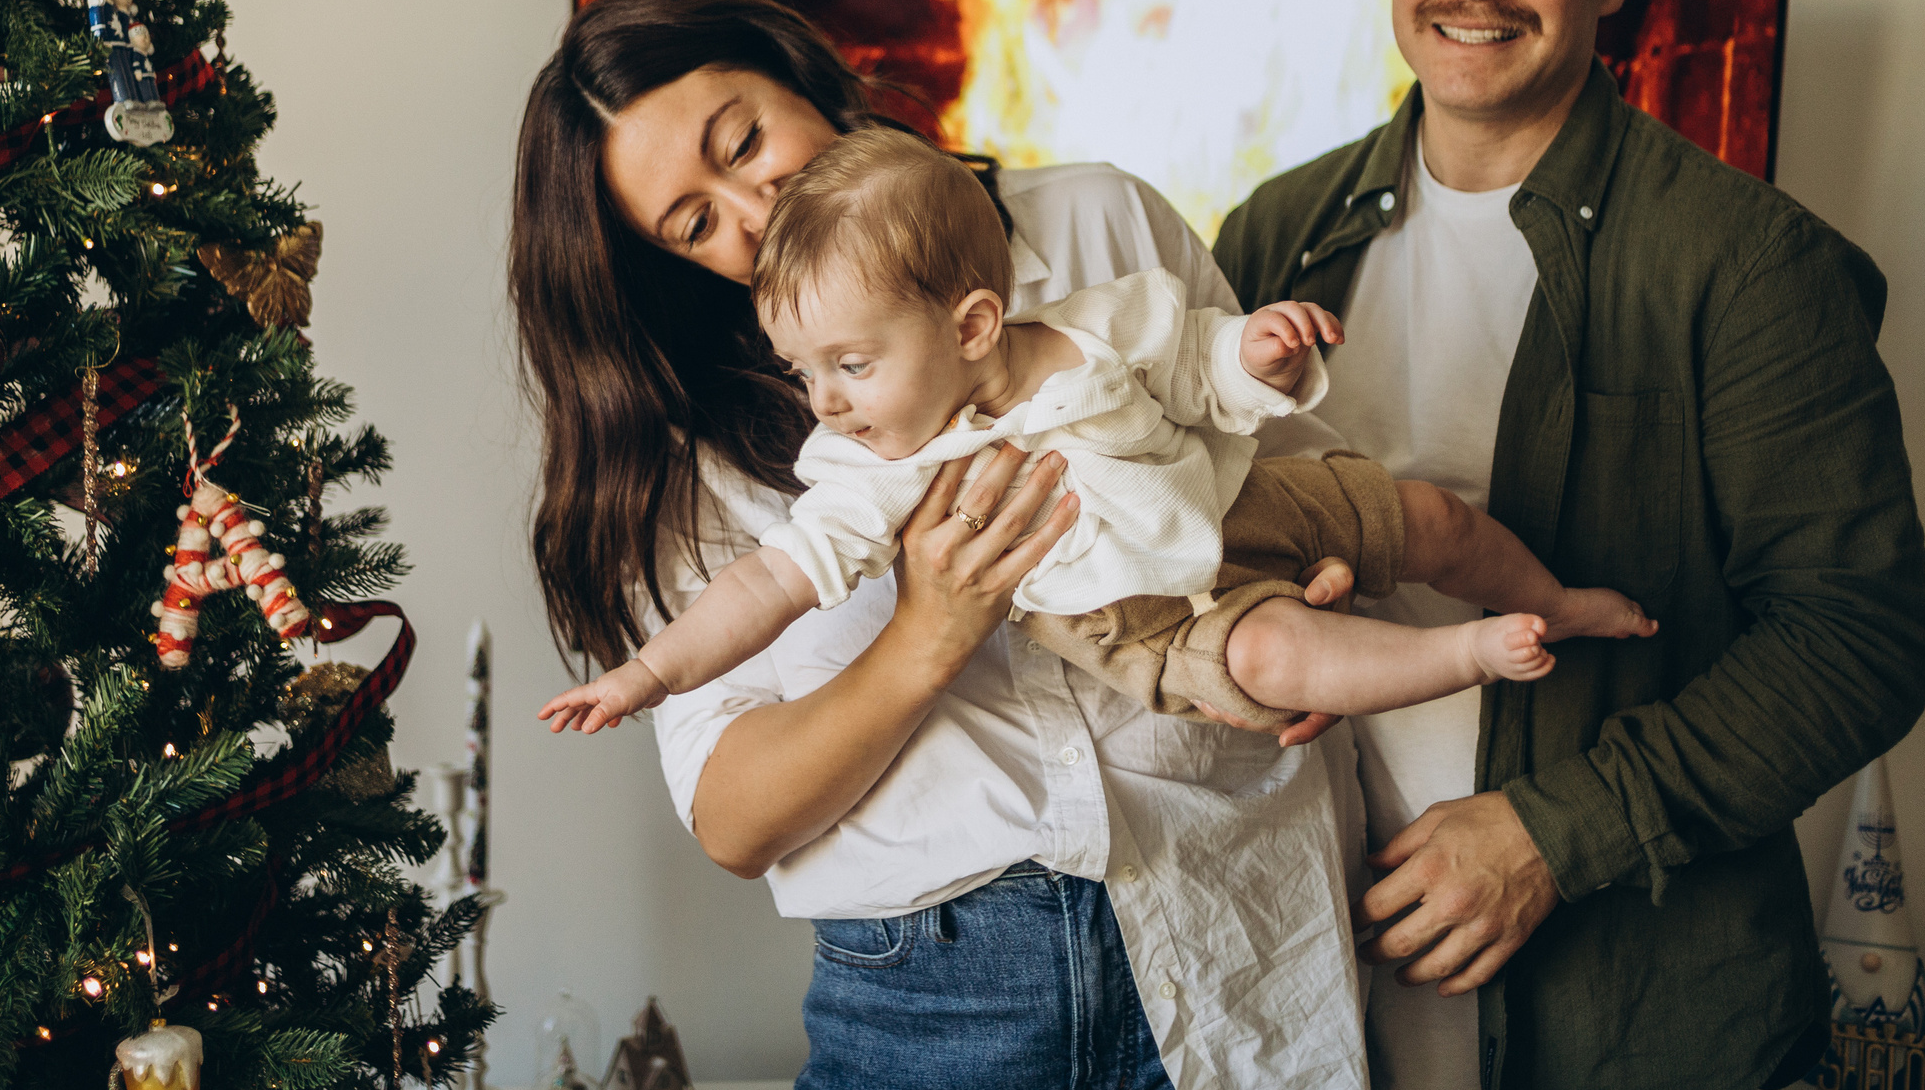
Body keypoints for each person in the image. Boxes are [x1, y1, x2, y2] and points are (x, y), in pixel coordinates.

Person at [1213, 0, 1925, 1090]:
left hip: (1634, 1039)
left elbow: (1863, 637)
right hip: (1310, 1032)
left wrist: (1552, 833)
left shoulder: (1748, 263)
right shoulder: (1276, 235)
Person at [512, 0, 1372, 1090]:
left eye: (744, 140)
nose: (754, 212)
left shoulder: (1096, 222)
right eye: (695, 223)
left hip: (1228, 923)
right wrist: (925, 633)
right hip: (940, 995)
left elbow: (1278, 458)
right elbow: (733, 819)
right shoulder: (688, 434)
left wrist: (1322, 590)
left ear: (799, 71)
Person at [539, 126, 1655, 740]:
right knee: (1274, 657)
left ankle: (1553, 600)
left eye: (849, 366)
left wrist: (1258, 351)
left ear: (974, 323)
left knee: (1420, 513)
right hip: (1142, 615)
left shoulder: (1098, 322)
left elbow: (1200, 364)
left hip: (1233, 502)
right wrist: (646, 673)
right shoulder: (874, 463)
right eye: (804, 371)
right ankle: (1461, 655)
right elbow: (765, 585)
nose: (823, 402)